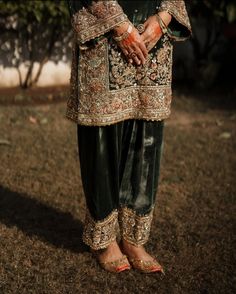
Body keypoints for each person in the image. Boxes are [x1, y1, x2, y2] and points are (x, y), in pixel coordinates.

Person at [66, 0, 191, 273]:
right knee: (101, 133)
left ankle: (134, 238)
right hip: (105, 33)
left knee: (147, 135)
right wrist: (120, 26)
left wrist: (164, 18)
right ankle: (104, 238)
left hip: (153, 37)